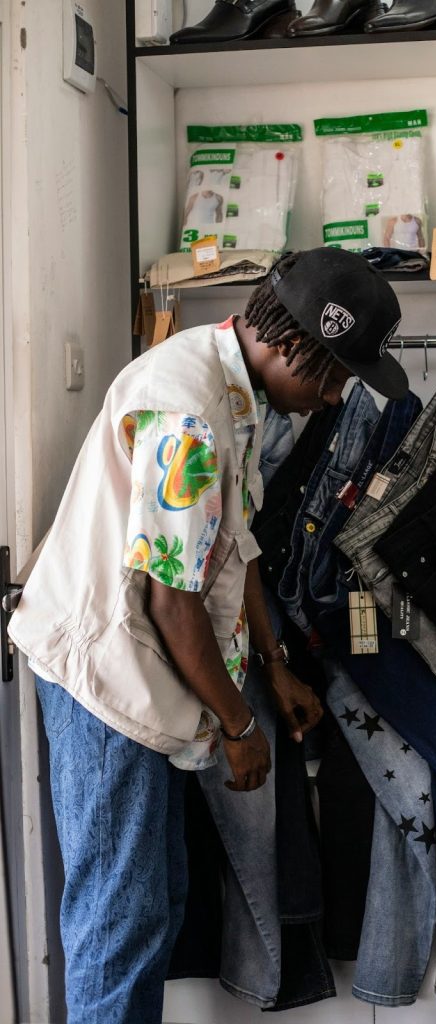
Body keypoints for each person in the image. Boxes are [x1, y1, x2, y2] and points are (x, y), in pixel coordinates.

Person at [8, 247, 408, 1024]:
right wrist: (240, 725)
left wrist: (274, 663)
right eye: (330, 377)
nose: (331, 401)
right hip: (109, 685)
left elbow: (236, 545)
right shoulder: (187, 415)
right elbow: (173, 605)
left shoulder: (236, 392)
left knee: (156, 904)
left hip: (153, 675)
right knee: (117, 926)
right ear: (291, 342)